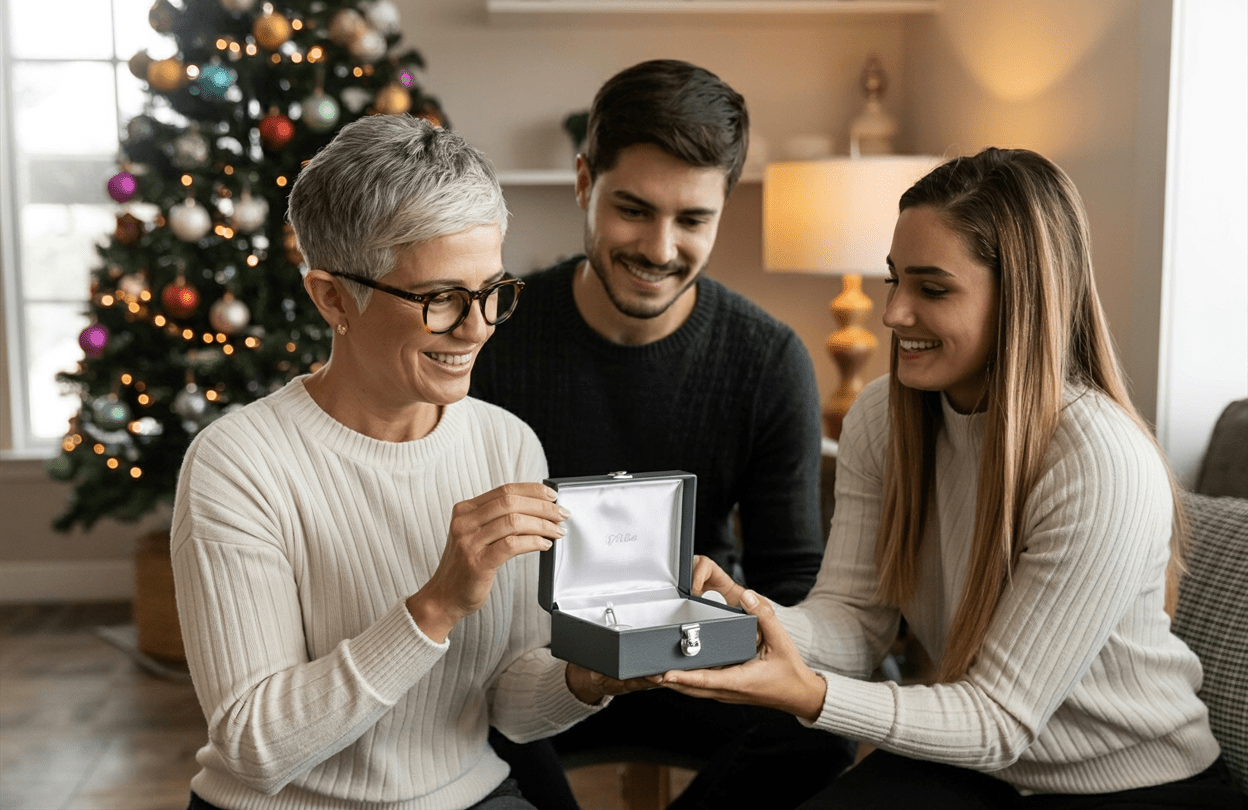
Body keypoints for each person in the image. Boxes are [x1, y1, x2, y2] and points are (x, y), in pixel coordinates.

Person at [658, 147, 1246, 808]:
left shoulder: (1099, 460)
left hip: (1137, 783)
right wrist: (745, 616)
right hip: (986, 770)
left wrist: (812, 695)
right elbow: (853, 623)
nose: (893, 314)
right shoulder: (884, 417)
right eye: (894, 281)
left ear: (1022, 298)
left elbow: (998, 718)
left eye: (932, 289)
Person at [172, 115, 646, 810]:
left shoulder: (506, 444)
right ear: (333, 297)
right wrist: (434, 608)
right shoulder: (238, 464)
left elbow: (511, 707)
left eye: (491, 291)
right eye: (440, 299)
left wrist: (592, 678)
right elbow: (253, 745)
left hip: (474, 794)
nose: (478, 326)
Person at [471, 59, 854, 809]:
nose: (659, 247)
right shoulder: (495, 337)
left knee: (819, 735)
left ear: (723, 210)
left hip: (698, 664)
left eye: (692, 219)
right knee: (449, 722)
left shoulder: (769, 359)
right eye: (633, 209)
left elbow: (792, 577)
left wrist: (736, 624)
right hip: (529, 668)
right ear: (585, 184)